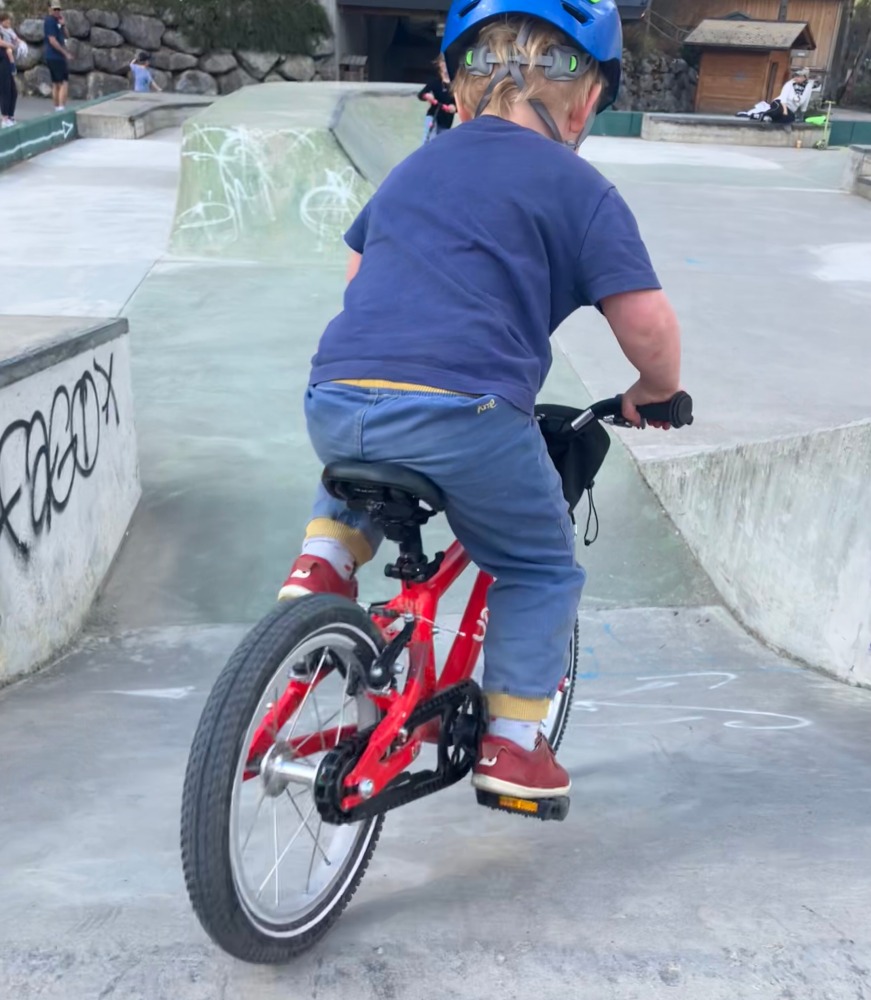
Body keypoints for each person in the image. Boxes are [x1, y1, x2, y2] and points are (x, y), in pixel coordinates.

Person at [277, 0, 682, 800]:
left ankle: (321, 561)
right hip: (468, 415)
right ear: (588, 97)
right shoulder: (578, 184)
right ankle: (513, 745)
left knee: (368, 438)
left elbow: (358, 279)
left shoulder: (413, 168)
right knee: (537, 566)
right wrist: (655, 391)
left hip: (334, 392)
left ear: (451, 82)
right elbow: (645, 321)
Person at [737, 67, 817, 124]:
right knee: (778, 110)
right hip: (780, 103)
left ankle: (769, 118)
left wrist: (802, 113)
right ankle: (756, 115)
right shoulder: (790, 84)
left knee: (789, 119)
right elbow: (783, 97)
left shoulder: (808, 87)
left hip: (791, 109)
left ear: (804, 78)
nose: (796, 78)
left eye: (799, 77)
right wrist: (785, 110)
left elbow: (805, 101)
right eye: (795, 76)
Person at [417, 54, 456, 143]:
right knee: (430, 140)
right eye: (444, 62)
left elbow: (457, 103)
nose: (446, 65)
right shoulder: (435, 82)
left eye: (448, 63)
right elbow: (421, 94)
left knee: (441, 143)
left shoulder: (455, 84)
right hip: (433, 116)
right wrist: (427, 96)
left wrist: (454, 108)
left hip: (446, 121)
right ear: (439, 64)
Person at [43, 3, 70, 112]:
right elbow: (52, 41)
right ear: (50, 9)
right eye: (55, 9)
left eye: (58, 9)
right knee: (63, 82)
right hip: (55, 56)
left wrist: (63, 25)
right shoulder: (50, 21)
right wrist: (65, 53)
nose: (57, 11)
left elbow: (67, 35)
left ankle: (57, 107)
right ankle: (60, 108)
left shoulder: (58, 21)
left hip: (56, 57)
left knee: (56, 83)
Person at [0, 14, 18, 127]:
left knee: (14, 91)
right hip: (1, 62)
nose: (8, 23)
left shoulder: (7, 32)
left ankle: (10, 117)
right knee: (5, 90)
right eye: (6, 21)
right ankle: (4, 118)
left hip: (6, 61)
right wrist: (12, 45)